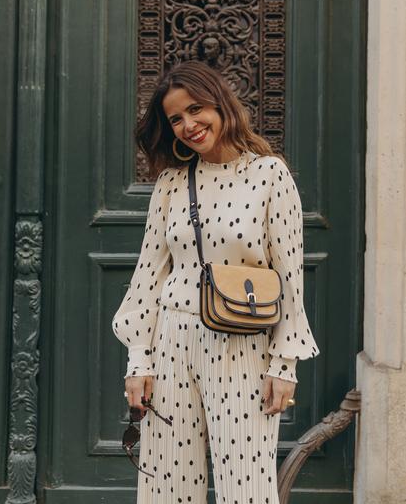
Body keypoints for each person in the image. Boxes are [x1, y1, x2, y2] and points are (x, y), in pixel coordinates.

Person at [112, 60, 320, 503]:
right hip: (171, 341)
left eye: (195, 109)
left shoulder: (269, 175)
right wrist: (138, 362)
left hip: (241, 344)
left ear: (220, 103)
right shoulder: (170, 183)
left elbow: (289, 279)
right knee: (166, 480)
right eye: (176, 119)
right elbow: (148, 277)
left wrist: (284, 366)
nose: (188, 124)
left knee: (245, 481)